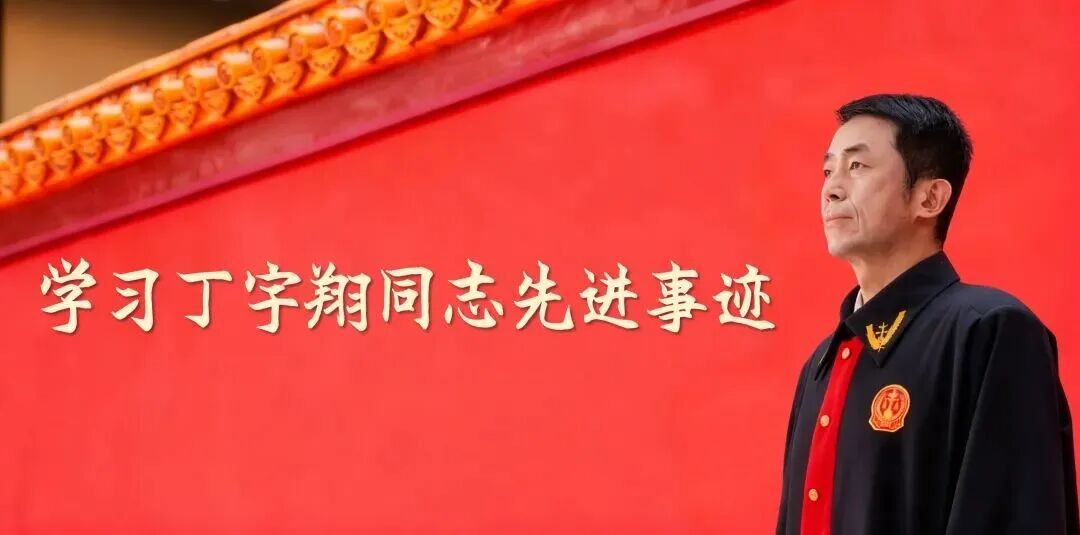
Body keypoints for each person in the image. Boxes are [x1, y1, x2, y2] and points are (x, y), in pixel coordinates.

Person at [775, 93, 1079, 534]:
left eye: (857, 166)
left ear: (930, 198)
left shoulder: (989, 331)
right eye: (827, 170)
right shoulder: (822, 363)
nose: (831, 189)